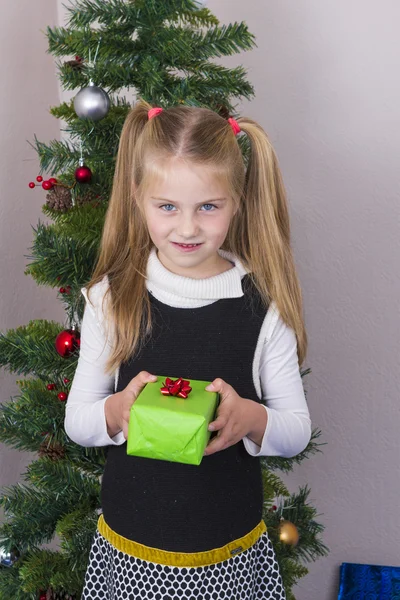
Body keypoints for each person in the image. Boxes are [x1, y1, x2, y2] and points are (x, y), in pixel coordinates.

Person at [64, 99, 312, 600]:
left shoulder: (264, 307)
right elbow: (78, 422)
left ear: (236, 202)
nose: (187, 227)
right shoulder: (111, 298)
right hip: (132, 551)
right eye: (168, 206)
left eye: (208, 206)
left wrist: (250, 419)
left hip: (228, 553)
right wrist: (115, 412)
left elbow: (296, 430)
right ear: (138, 198)